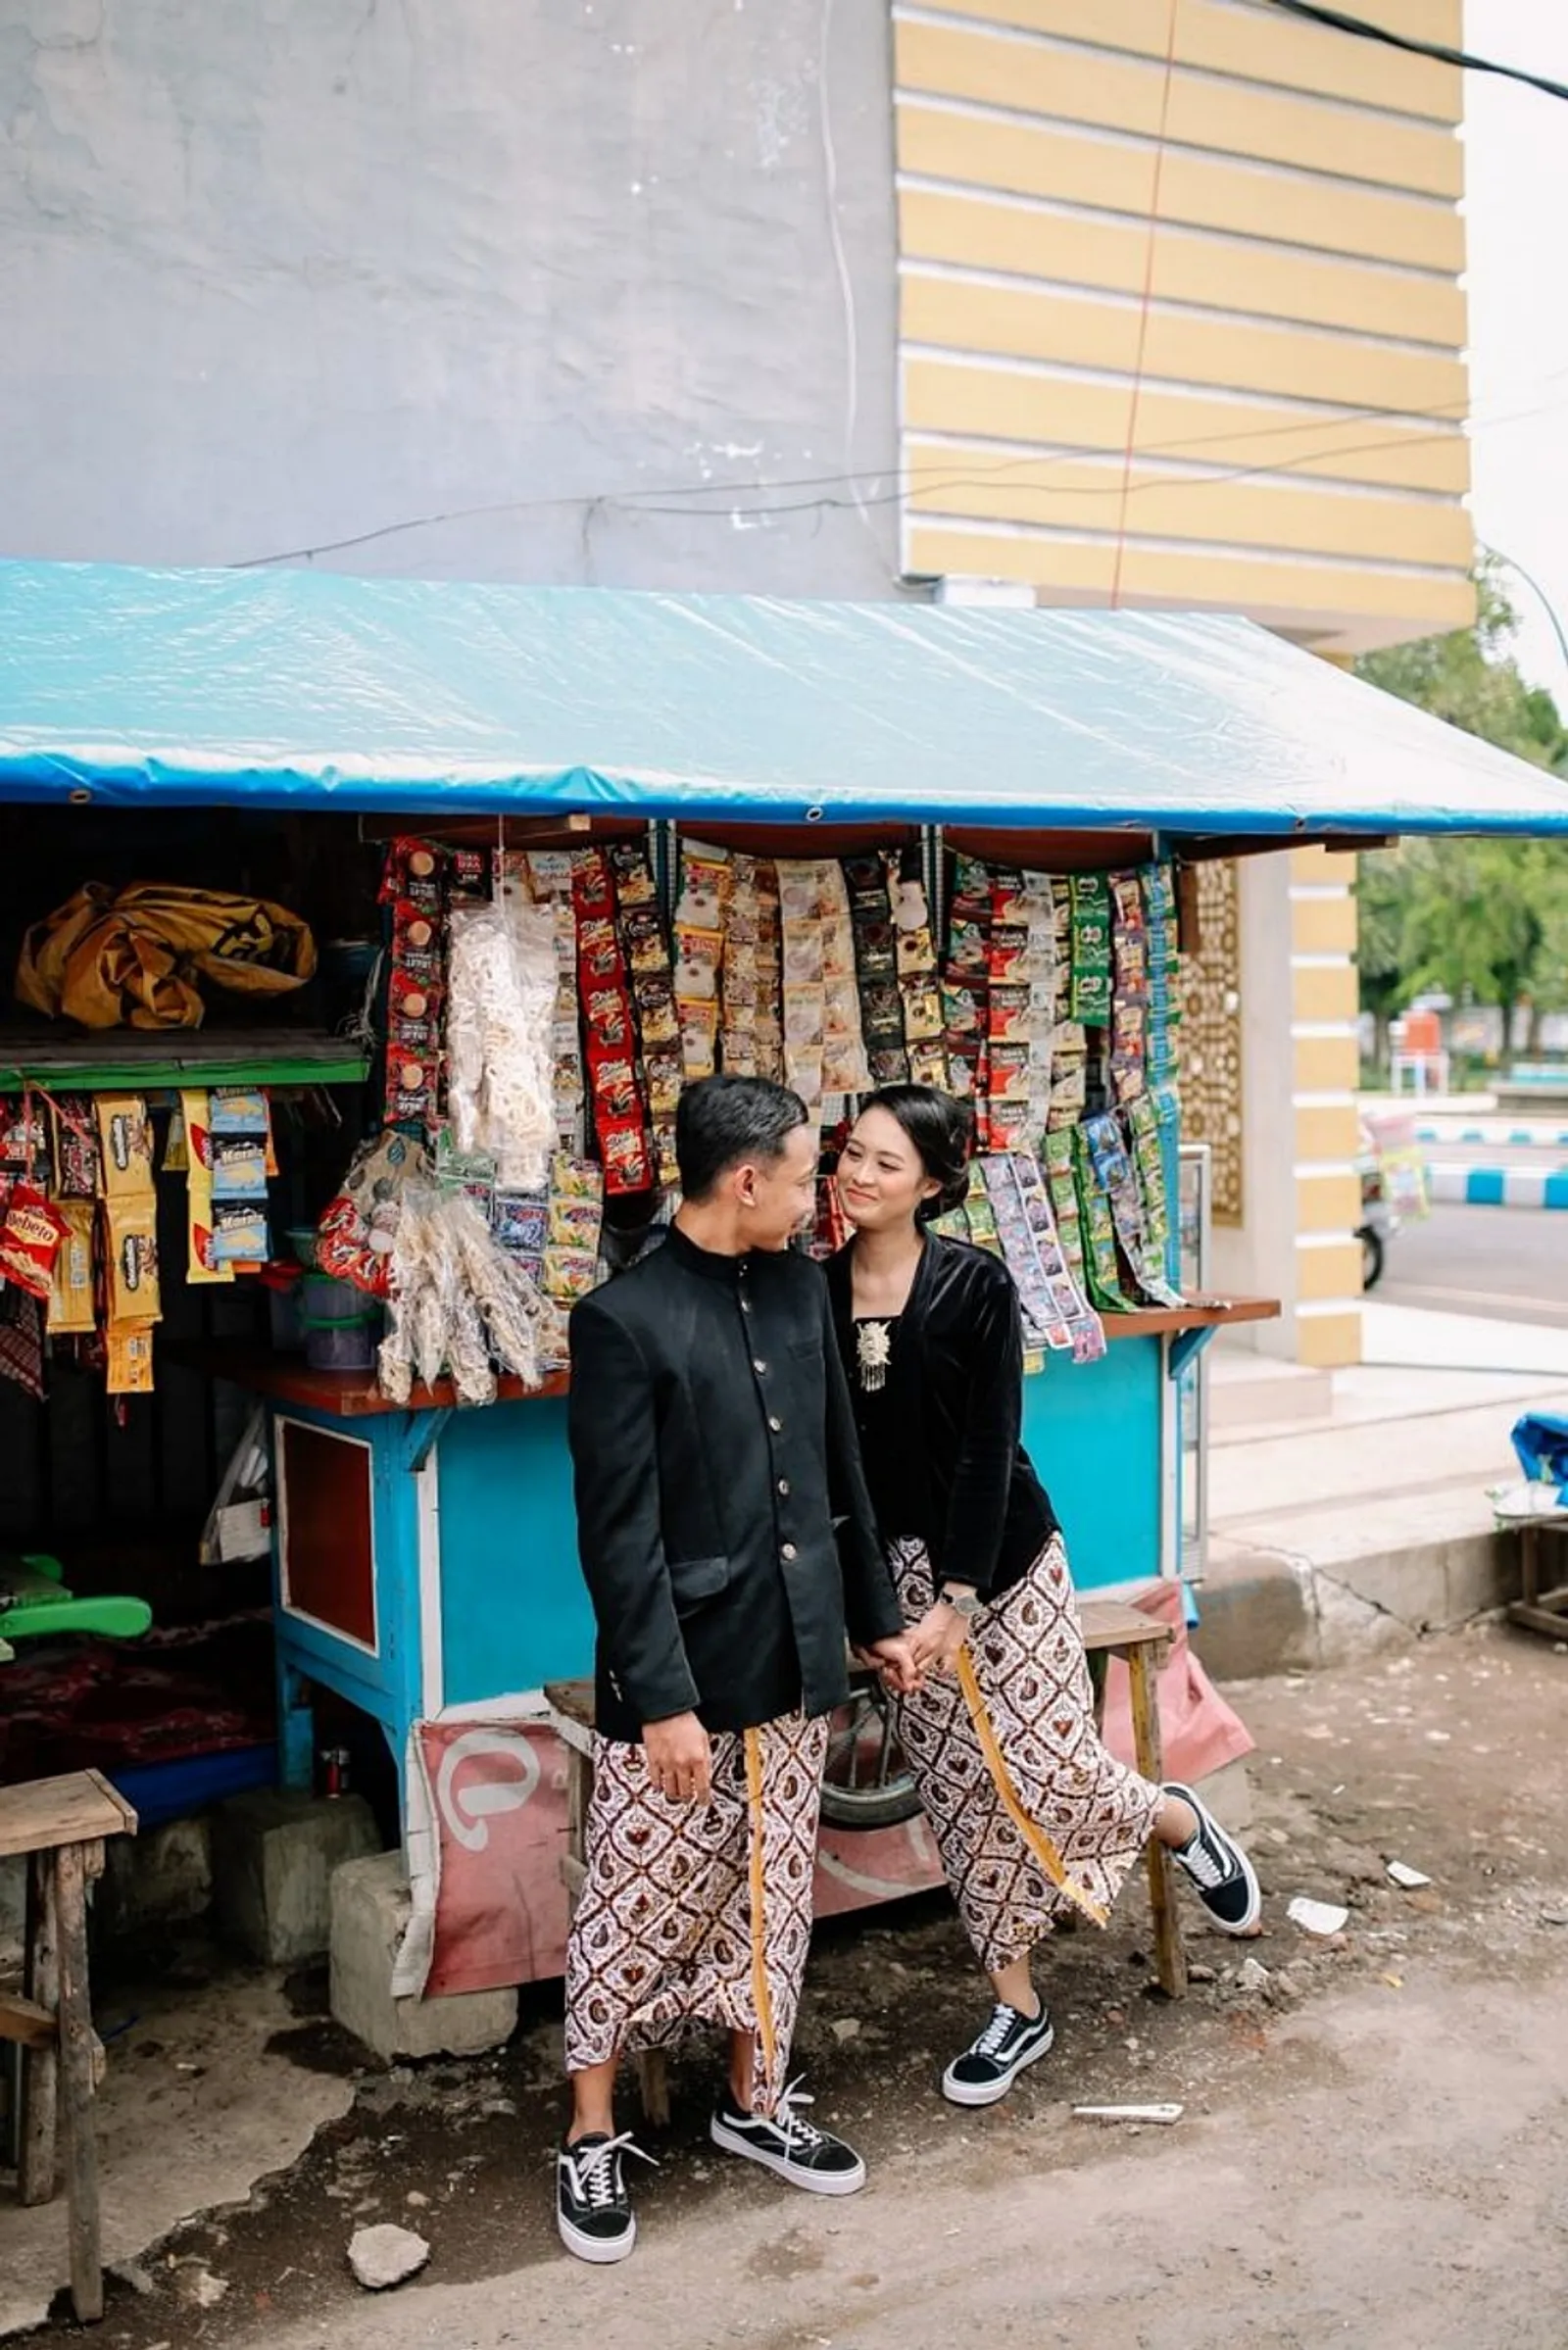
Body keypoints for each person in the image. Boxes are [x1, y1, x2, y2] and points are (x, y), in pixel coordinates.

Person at [827, 1085, 1260, 2110]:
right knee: (957, 1791)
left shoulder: (975, 1284)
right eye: (850, 1153)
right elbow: (830, 1462)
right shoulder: (813, 1293)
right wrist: (871, 1609)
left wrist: (958, 1596)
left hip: (1003, 1562)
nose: (856, 1175)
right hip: (886, 1580)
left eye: (884, 1163)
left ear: (931, 1185)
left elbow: (987, 1450)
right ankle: (1016, 2006)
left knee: (1046, 1762)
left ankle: (1172, 1817)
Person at [559, 1074, 917, 2263]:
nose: (826, 1189)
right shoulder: (623, 1318)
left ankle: (755, 2101)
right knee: (635, 1896)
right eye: (811, 1168)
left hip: (797, 1651)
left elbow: (836, 1472)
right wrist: (659, 1700)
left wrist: (873, 1619)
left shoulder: (798, 1290)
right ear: (746, 1178)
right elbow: (618, 1538)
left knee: (771, 1896)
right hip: (685, 1679)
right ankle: (591, 2133)